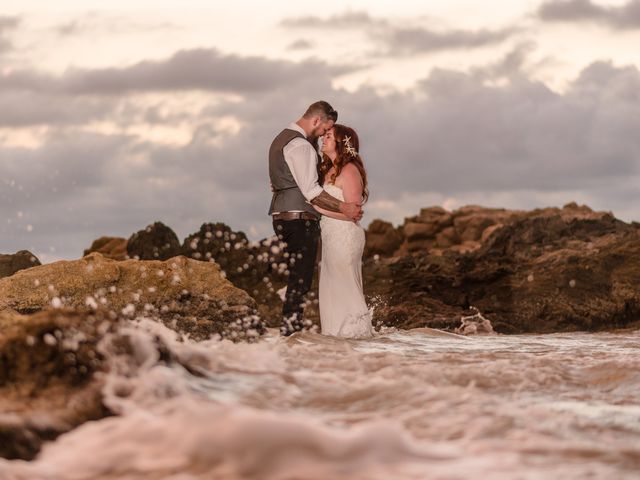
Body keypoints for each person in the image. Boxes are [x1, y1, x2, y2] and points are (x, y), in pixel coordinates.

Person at [268, 101, 363, 336]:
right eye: (324, 130)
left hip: (284, 215)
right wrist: (343, 207)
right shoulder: (301, 146)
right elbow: (311, 193)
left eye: (328, 135)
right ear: (317, 120)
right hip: (299, 219)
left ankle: (292, 333)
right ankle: (290, 333)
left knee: (298, 278)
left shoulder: (281, 139)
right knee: (300, 280)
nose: (322, 136)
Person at [313, 124, 373, 338]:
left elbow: (354, 212)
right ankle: (336, 339)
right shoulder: (327, 169)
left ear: (341, 143)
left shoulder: (349, 171)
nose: (323, 138)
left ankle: (355, 337)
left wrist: (318, 208)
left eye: (328, 136)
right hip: (330, 237)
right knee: (331, 289)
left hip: (345, 237)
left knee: (343, 287)